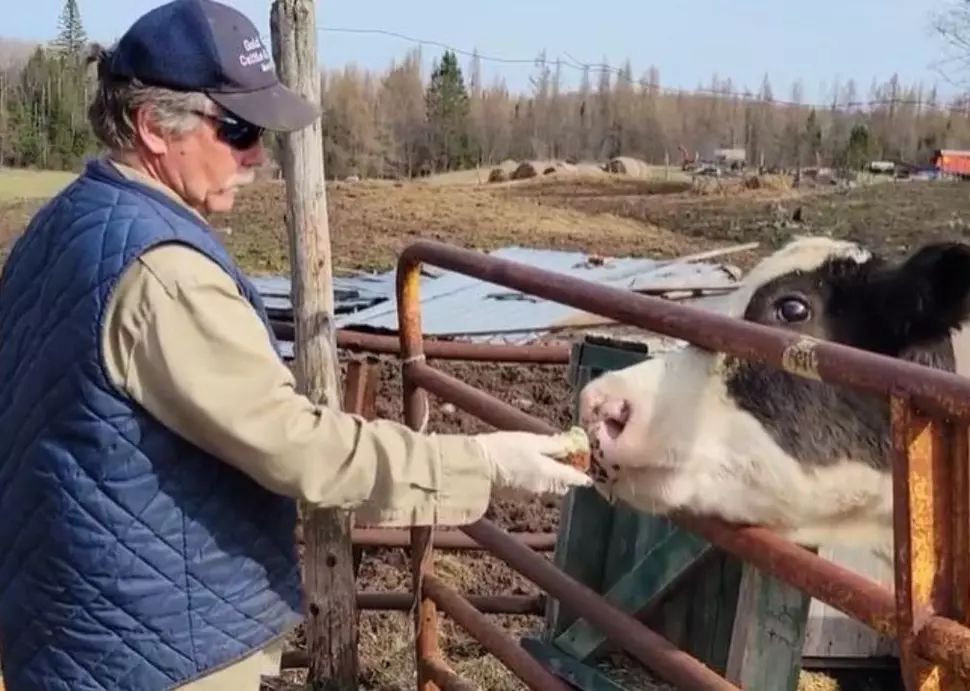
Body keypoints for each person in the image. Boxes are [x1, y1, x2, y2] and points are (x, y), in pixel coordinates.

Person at [0, 1, 591, 689]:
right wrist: (484, 462)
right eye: (238, 128)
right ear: (153, 128)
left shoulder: (65, 223)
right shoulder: (165, 274)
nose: (257, 153)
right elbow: (299, 446)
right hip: (159, 650)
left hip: (77, 627)